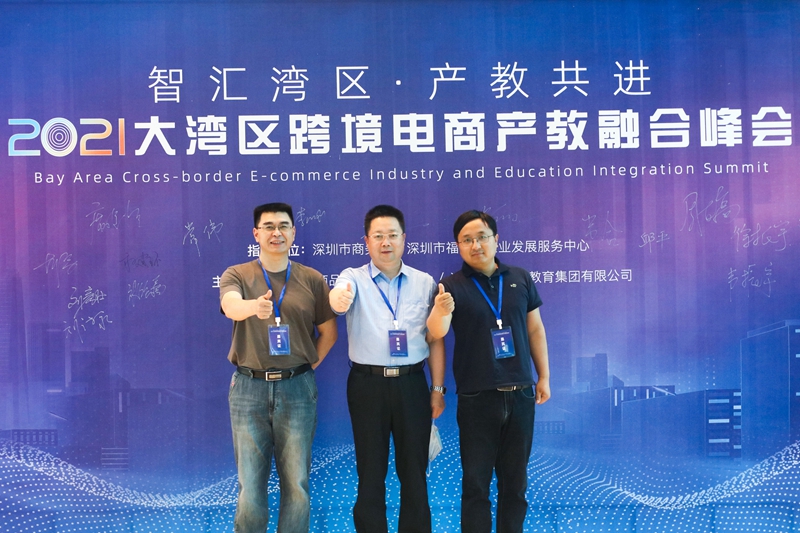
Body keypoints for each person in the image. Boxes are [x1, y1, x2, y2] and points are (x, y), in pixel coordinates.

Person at [426, 210, 551, 533]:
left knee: (515, 485)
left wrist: (544, 376)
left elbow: (535, 329)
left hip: (521, 393)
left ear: (496, 239)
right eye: (466, 240)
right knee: (476, 486)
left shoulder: (520, 278)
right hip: (477, 398)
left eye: (482, 237)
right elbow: (435, 334)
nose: (475, 245)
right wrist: (439, 311)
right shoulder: (451, 286)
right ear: (458, 246)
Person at [220, 202, 338, 533]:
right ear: (256, 233)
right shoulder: (237, 274)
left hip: (298, 388)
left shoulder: (312, 279)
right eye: (269, 226)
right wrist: (252, 307)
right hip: (248, 388)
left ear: (293, 233)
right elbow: (229, 305)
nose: (277, 233)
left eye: (284, 226)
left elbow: (329, 333)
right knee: (250, 487)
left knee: (297, 484)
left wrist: (303, 367)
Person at [329, 205, 446, 533]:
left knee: (414, 472)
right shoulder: (353, 277)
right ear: (367, 241)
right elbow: (338, 296)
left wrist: (437, 389)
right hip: (367, 385)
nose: (386, 242)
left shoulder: (424, 282)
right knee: (370, 472)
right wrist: (338, 300)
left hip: (412, 384)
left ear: (404, 239)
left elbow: (435, 339)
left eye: (392, 235)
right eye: (378, 236)